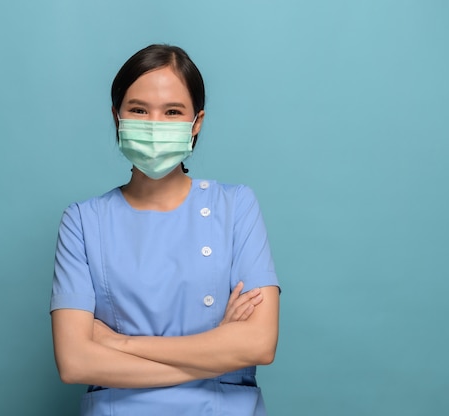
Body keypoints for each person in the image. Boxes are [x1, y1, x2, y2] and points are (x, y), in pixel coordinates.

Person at [50, 44, 280, 415]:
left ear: (196, 123)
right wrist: (217, 346)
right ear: (117, 116)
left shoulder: (235, 206)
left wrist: (119, 344)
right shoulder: (83, 221)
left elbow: (259, 344)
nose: (155, 125)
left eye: (173, 112)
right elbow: (76, 362)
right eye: (139, 110)